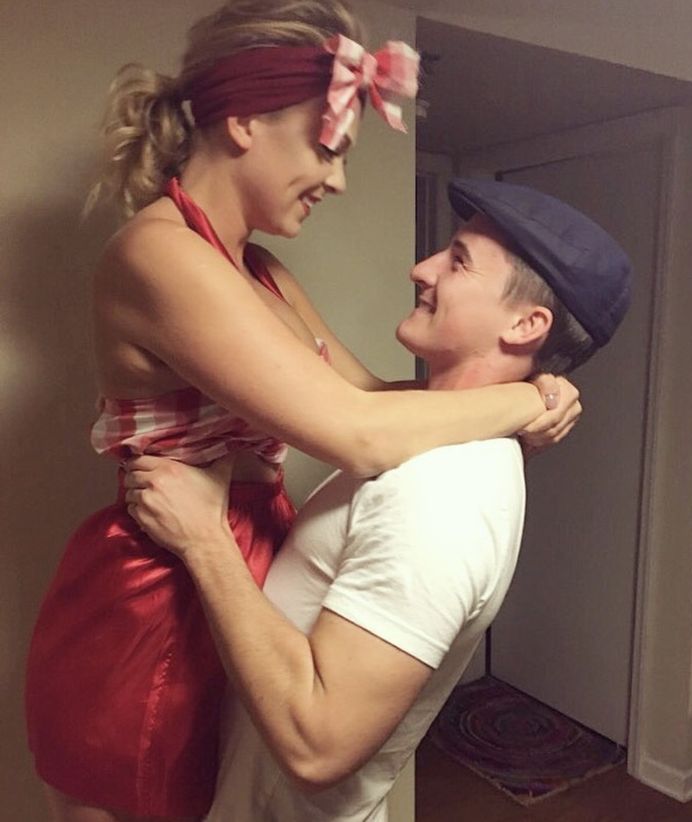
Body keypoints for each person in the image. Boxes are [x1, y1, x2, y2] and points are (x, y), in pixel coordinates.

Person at [24, 3, 581, 821]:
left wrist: (536, 388)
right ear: (246, 121)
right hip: (158, 597)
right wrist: (523, 397)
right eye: (330, 148)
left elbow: (359, 399)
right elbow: (354, 437)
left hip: (243, 559)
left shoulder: (260, 270)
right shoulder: (158, 254)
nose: (339, 179)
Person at [123, 177, 632, 822]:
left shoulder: (444, 492)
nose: (422, 268)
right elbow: (358, 402)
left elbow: (318, 746)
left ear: (526, 324)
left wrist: (204, 540)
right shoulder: (418, 435)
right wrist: (530, 398)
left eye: (457, 260)